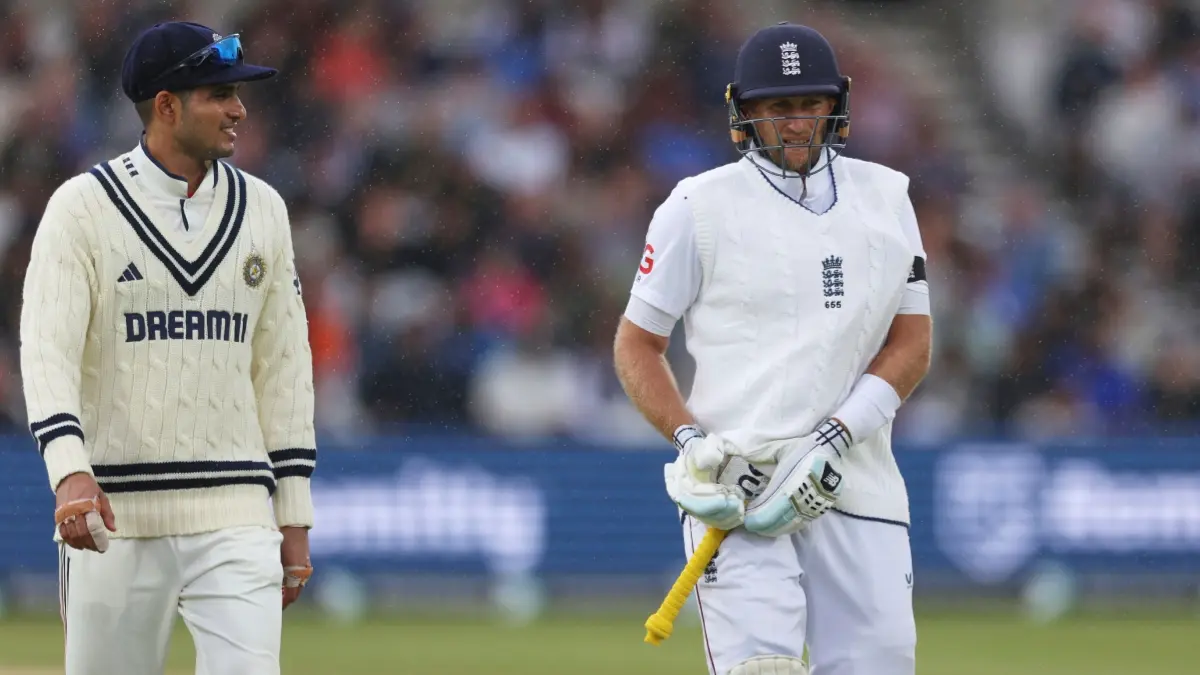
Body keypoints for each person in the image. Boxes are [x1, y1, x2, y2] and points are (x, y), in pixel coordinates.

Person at [613, 22, 932, 675]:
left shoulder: (888, 197)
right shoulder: (695, 207)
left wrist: (836, 435)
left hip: (857, 482)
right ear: (744, 111)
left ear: (834, 104)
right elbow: (637, 343)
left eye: (810, 104)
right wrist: (691, 441)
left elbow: (913, 341)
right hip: (741, 486)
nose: (796, 122)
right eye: (777, 107)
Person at [20, 21, 317, 675]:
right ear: (166, 105)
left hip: (238, 512)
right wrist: (69, 470)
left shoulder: (264, 209)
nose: (239, 108)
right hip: (113, 516)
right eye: (219, 94)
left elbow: (284, 368)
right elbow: (46, 350)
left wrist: (293, 512)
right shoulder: (82, 209)